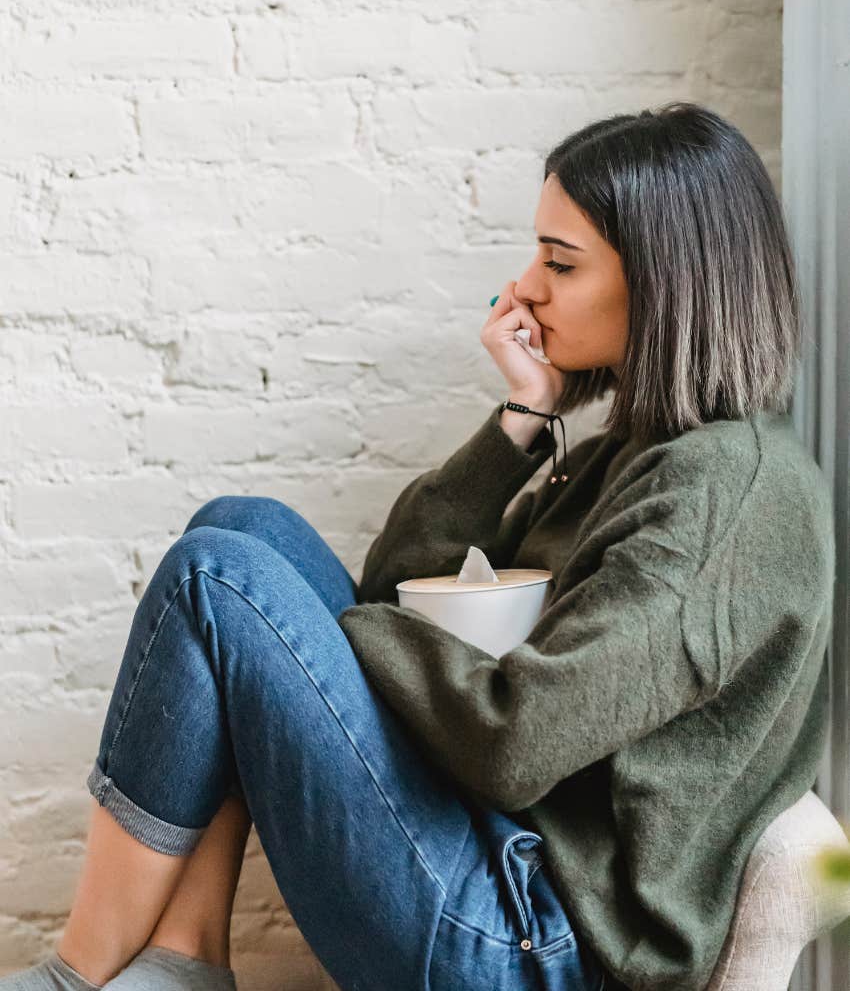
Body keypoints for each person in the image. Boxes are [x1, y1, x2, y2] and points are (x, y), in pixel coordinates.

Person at [0, 101, 834, 991]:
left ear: (666, 281)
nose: (526, 286)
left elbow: (515, 740)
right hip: (487, 852)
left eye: (560, 262)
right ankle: (184, 957)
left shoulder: (724, 496)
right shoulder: (624, 459)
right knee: (243, 529)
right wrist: (521, 421)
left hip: (532, 943)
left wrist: (328, 634)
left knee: (220, 581)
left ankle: (78, 978)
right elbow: (399, 585)